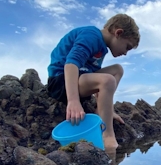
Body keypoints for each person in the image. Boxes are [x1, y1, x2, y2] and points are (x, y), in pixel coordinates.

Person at [47, 14, 140, 151]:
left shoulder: (102, 47)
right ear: (118, 33)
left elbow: (95, 79)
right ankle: (107, 136)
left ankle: (102, 111)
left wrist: (108, 110)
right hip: (61, 82)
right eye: (127, 47)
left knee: (117, 70)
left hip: (80, 78)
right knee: (108, 80)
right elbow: (71, 64)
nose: (125, 53)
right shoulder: (91, 35)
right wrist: (73, 100)